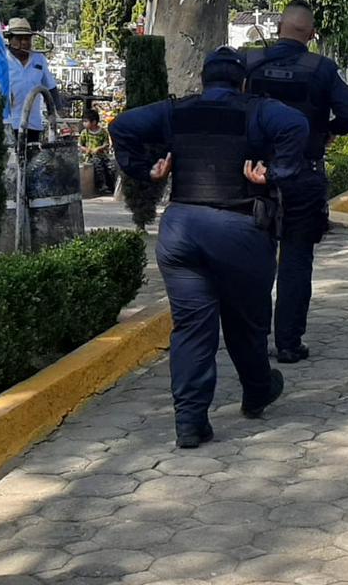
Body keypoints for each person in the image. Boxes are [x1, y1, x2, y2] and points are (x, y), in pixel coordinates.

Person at [109, 47, 308, 449]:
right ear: (243, 82)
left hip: (181, 229)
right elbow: (298, 125)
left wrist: (145, 168)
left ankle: (189, 421)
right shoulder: (258, 110)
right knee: (247, 322)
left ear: (203, 80)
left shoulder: (175, 111)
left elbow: (123, 126)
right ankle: (257, 392)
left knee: (191, 328)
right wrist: (275, 171)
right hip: (239, 230)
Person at [245, 1, 348, 364]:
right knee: (296, 259)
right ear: (311, 34)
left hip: (254, 175)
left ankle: (253, 339)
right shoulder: (321, 68)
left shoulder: (250, 63)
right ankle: (289, 344)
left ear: (279, 26)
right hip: (302, 174)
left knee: (255, 259)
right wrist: (326, 130)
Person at [5, 18, 59, 143]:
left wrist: (58, 111)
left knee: (31, 159)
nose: (24, 42)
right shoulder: (3, 59)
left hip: (33, 123)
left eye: (27, 38)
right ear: (10, 40)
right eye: (19, 39)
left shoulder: (38, 59)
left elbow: (51, 86)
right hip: (9, 122)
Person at [79, 109, 115, 195]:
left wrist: (99, 148)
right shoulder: (85, 133)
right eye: (83, 121)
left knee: (110, 167)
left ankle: (111, 185)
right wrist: (86, 149)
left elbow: (106, 144)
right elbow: (80, 145)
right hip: (90, 157)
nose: (84, 123)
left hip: (102, 155)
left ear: (94, 122)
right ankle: (101, 186)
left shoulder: (102, 132)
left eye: (86, 121)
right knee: (98, 165)